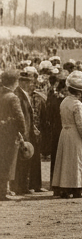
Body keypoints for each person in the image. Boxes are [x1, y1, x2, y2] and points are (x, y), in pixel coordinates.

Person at [51, 70, 82, 198]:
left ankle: (64, 188)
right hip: (74, 134)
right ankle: (77, 188)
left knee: (65, 161)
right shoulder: (77, 105)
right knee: (76, 160)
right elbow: (81, 124)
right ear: (79, 91)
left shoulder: (64, 101)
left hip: (64, 132)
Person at [0, 71, 28, 201]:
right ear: (14, 82)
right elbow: (19, 117)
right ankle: (3, 191)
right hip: (9, 133)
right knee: (7, 162)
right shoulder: (13, 97)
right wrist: (22, 131)